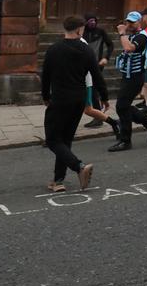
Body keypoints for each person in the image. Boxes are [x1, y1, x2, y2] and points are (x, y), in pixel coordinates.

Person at [39, 16, 105, 190]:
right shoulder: (87, 50)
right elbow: (97, 75)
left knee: (53, 140)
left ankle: (79, 167)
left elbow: (45, 76)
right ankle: (58, 181)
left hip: (60, 98)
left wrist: (45, 96)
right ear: (79, 30)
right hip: (79, 99)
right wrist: (104, 97)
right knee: (65, 140)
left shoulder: (54, 49)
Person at [109, 13, 147, 153]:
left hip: (136, 76)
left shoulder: (142, 36)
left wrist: (121, 33)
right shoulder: (132, 35)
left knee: (121, 106)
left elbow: (129, 48)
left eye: (132, 22)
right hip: (127, 75)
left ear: (139, 22)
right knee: (123, 107)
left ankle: (126, 141)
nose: (129, 24)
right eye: (128, 22)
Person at [80, 15, 115, 123]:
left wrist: (106, 57)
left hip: (97, 64)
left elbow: (110, 45)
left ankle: (98, 116)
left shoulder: (100, 31)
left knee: (94, 87)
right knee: (89, 87)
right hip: (84, 64)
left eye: (94, 21)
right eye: (90, 21)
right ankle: (96, 113)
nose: (93, 23)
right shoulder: (82, 33)